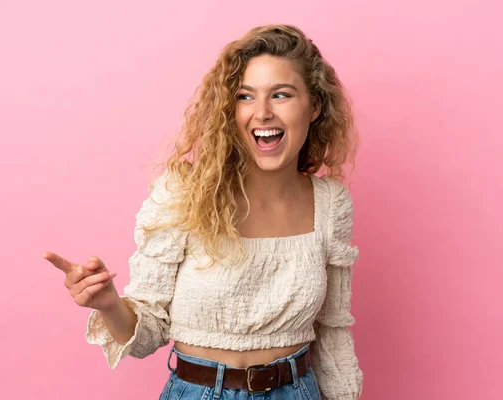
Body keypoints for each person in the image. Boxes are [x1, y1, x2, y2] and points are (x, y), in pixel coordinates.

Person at [44, 24, 363, 400]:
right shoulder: (184, 194)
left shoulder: (330, 204)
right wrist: (109, 303)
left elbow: (333, 331)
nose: (262, 112)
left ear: (314, 107)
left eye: (281, 95)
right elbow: (148, 334)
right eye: (245, 96)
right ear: (229, 111)